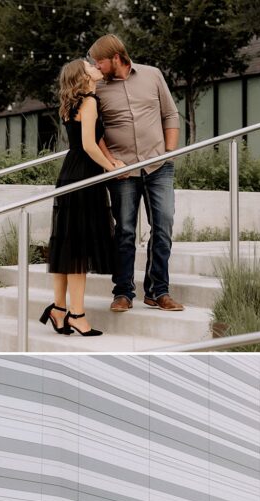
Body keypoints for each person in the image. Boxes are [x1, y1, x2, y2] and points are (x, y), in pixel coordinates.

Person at [87, 34, 185, 313]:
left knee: (163, 225)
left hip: (159, 166)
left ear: (115, 57)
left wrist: (169, 151)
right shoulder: (98, 89)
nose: (96, 66)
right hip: (122, 172)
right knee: (125, 231)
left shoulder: (153, 75)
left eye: (100, 61)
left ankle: (158, 291)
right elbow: (95, 132)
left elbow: (171, 114)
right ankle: (123, 293)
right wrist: (110, 162)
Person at [41, 60, 122, 338]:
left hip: (70, 172)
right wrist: (111, 169)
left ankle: (59, 310)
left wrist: (111, 160)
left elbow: (96, 139)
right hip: (83, 175)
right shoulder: (89, 102)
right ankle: (77, 315)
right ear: (83, 76)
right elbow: (88, 144)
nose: (94, 65)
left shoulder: (75, 103)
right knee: (78, 249)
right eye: (89, 65)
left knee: (67, 245)